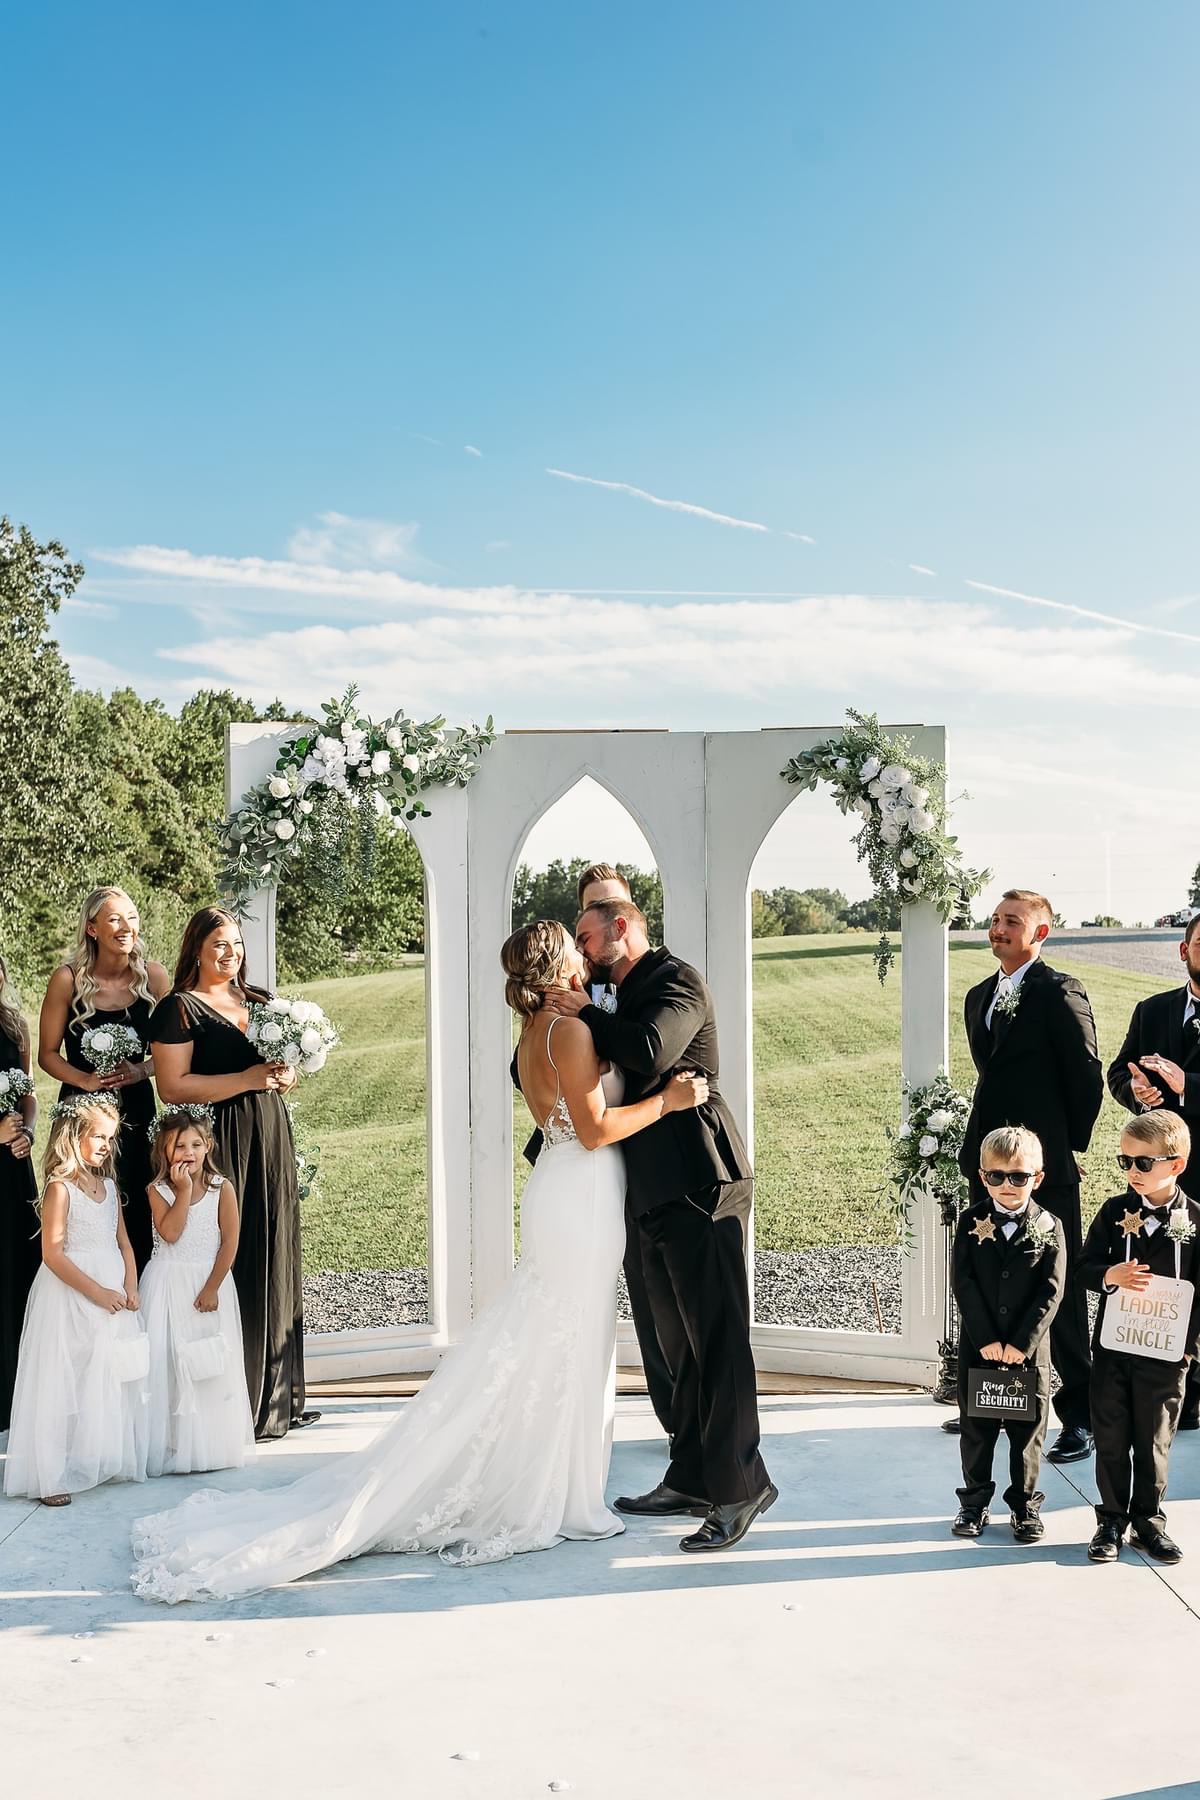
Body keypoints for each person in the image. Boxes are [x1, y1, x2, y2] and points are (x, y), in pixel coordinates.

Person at [128, 921, 708, 1603]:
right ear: (561, 962)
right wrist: (669, 1100)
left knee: (557, 1339)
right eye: (577, 948)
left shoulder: (536, 1032)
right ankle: (563, 1496)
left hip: (566, 1191)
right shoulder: (571, 1032)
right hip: (579, 1193)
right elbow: (592, 1129)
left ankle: (557, 1478)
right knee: (569, 1340)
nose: (589, 954)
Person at [546, 897, 776, 1553]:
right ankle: (692, 1475)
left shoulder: (676, 980)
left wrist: (585, 1011)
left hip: (702, 1178)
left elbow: (649, 1052)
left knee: (720, 1340)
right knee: (684, 1347)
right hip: (650, 1185)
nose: (585, 954)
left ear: (622, 928)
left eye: (589, 939)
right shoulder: (605, 988)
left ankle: (740, 1488)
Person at [147, 908, 314, 1441]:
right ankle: (233, 1404)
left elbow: (274, 1068)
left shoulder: (260, 1001)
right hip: (219, 1140)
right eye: (219, 943)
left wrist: (284, 1075)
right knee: (230, 1249)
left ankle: (277, 1399)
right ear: (196, 946)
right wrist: (246, 1078)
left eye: (237, 943)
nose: (230, 953)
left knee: (272, 1244)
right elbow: (171, 1088)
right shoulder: (179, 1009)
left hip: (268, 1134)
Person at [957, 890, 1103, 1464]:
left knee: (1056, 1289)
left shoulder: (1058, 991)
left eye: (1011, 921)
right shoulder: (978, 997)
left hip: (1044, 1170)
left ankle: (1080, 1416)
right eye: (995, 920)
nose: (998, 929)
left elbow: (1086, 1075)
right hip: (988, 1165)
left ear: (1041, 933)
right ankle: (989, 1399)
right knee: (991, 1279)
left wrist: (1063, 1151)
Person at [4, 1095, 148, 1505]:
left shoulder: (109, 1185)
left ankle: (96, 1458)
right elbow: (52, 1254)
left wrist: (130, 1286)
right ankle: (50, 1474)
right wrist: (97, 1292)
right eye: (98, 1136)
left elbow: (123, 1242)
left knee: (102, 1375)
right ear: (73, 1137)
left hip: (112, 1293)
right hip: (71, 1291)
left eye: (110, 1138)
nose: (106, 1144)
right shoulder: (59, 1189)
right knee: (61, 1379)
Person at [1079, 1113, 1200, 1565]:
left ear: (1177, 1164)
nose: (1132, 1171)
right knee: (1111, 1434)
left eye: (1144, 1163)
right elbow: (1084, 1267)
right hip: (1114, 1347)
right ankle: (1110, 1519)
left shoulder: (1196, 1221)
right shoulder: (1114, 1212)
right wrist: (1108, 1275)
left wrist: (1188, 1349)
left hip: (1166, 1355)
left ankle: (1149, 1521)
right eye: (1124, 1161)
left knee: (1153, 1439)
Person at [38, 886, 170, 1272]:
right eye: (114, 918)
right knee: (82, 1214)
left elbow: (174, 1052)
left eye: (131, 917)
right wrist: (86, 1081)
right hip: (81, 1114)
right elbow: (47, 1054)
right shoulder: (67, 979)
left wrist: (141, 1070)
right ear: (92, 929)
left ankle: (134, 1304)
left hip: (137, 1111)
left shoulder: (155, 977)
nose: (126, 926)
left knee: (135, 1207)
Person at [1106, 911, 1200, 1428]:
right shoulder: (1153, 1010)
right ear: (1183, 951)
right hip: (1157, 1176)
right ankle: (1163, 1387)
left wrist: (1187, 1086)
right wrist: (1133, 1090)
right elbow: (1118, 1070)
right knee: (1161, 1275)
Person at [949, 1127, 1066, 1542]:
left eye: (1018, 1176)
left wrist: (1022, 1342)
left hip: (1027, 1353)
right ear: (983, 1177)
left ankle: (1024, 1505)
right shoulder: (970, 1221)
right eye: (996, 1176)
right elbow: (963, 1282)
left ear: (1037, 1177)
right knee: (976, 1428)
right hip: (980, 1348)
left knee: (1027, 1432)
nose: (1007, 1185)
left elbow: (1051, 1290)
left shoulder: (1050, 1225)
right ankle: (974, 1502)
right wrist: (984, 1338)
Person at [140, 1105, 255, 1477]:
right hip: (168, 1285)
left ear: (208, 1146)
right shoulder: (157, 1190)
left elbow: (230, 1240)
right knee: (170, 1362)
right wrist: (185, 1191)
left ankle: (211, 1441)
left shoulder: (224, 1188)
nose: (187, 1152)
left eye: (194, 1144)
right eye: (178, 1146)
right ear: (164, 1152)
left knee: (208, 1361)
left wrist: (212, 1286)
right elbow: (171, 1233)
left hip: (209, 1285)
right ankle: (173, 1442)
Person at [0, 950, 40, 1433]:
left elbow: (27, 1092)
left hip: (14, 1165)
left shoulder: (14, 1026)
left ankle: (20, 1392)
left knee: (19, 1268)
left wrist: (27, 1132)